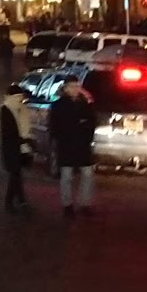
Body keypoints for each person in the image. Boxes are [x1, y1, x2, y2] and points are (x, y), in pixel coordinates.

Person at [47, 75, 98, 218]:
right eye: (72, 87)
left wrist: (87, 135)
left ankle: (85, 203)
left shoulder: (85, 104)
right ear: (66, 88)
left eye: (77, 86)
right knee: (67, 175)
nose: (75, 90)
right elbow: (54, 126)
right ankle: (67, 205)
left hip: (82, 144)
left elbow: (92, 122)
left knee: (87, 174)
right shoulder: (58, 105)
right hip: (67, 144)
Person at [0, 85, 32, 213]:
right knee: (15, 175)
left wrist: (27, 141)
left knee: (15, 175)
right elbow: (8, 132)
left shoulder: (22, 109)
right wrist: (23, 140)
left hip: (21, 148)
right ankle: (19, 202)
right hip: (11, 148)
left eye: (20, 96)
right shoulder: (5, 110)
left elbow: (25, 128)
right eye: (17, 96)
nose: (19, 99)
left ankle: (14, 202)